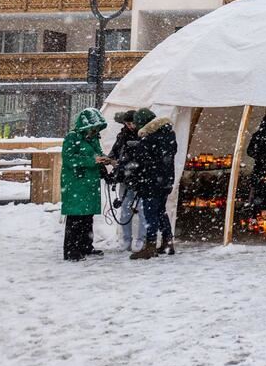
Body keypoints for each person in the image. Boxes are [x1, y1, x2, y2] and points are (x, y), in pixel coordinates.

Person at [61, 108, 113, 261]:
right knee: (75, 217)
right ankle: (71, 250)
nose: (94, 130)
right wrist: (92, 161)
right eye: (93, 127)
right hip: (76, 183)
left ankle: (86, 246)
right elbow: (68, 159)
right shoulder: (72, 137)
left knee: (87, 217)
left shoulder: (93, 139)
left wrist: (104, 159)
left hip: (89, 183)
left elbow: (97, 153)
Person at [129, 108, 178, 260]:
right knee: (161, 211)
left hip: (151, 182)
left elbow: (143, 164)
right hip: (165, 181)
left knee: (150, 213)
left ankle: (150, 247)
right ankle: (168, 242)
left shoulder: (149, 140)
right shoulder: (169, 135)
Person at [109, 110, 146, 251]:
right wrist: (112, 160)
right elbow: (115, 151)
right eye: (127, 123)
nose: (130, 126)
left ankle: (141, 239)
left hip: (141, 177)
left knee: (142, 210)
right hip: (126, 177)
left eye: (132, 123)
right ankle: (126, 239)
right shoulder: (122, 135)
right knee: (125, 208)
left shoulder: (144, 135)